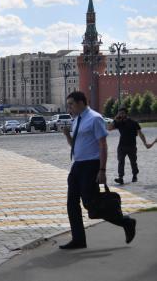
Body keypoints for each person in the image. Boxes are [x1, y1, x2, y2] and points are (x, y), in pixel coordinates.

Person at [61, 91, 136, 250]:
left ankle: (126, 222)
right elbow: (75, 146)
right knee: (71, 203)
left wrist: (102, 170)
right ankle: (78, 239)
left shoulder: (95, 118)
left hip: (91, 165)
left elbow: (103, 145)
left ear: (81, 102)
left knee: (92, 204)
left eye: (71, 104)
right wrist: (68, 135)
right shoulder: (76, 120)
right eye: (68, 105)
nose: (69, 108)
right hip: (77, 166)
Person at [108, 107, 153, 185]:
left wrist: (145, 143)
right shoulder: (119, 122)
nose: (121, 115)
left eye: (122, 113)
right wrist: (115, 118)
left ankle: (135, 175)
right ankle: (121, 178)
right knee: (121, 161)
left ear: (126, 113)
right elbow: (109, 128)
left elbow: (140, 134)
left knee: (133, 162)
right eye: (119, 113)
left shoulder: (134, 122)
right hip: (121, 146)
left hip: (132, 146)